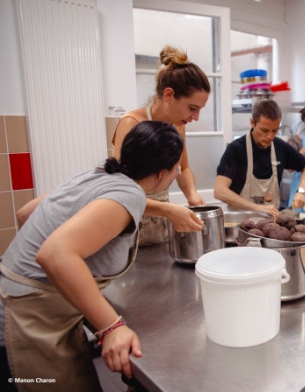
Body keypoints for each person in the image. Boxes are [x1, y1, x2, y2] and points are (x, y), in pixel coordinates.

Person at [0, 121, 184, 391]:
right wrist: (112, 327)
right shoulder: (130, 193)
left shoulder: (98, 174)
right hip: (24, 324)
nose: (178, 171)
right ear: (161, 174)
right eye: (177, 167)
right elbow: (55, 253)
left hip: (14, 300)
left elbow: (26, 213)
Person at [112, 45, 208, 246]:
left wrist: (192, 194)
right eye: (192, 108)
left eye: (200, 110)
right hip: (132, 221)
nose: (196, 117)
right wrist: (167, 210)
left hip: (162, 221)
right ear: (169, 95)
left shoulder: (178, 125)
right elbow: (120, 190)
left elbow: (184, 168)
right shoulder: (131, 124)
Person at [214, 99, 305, 219]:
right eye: (264, 130)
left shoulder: (279, 146)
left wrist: (301, 191)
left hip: (271, 225)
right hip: (240, 223)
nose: (270, 136)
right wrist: (257, 208)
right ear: (252, 122)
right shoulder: (236, 149)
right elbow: (219, 191)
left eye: (275, 130)